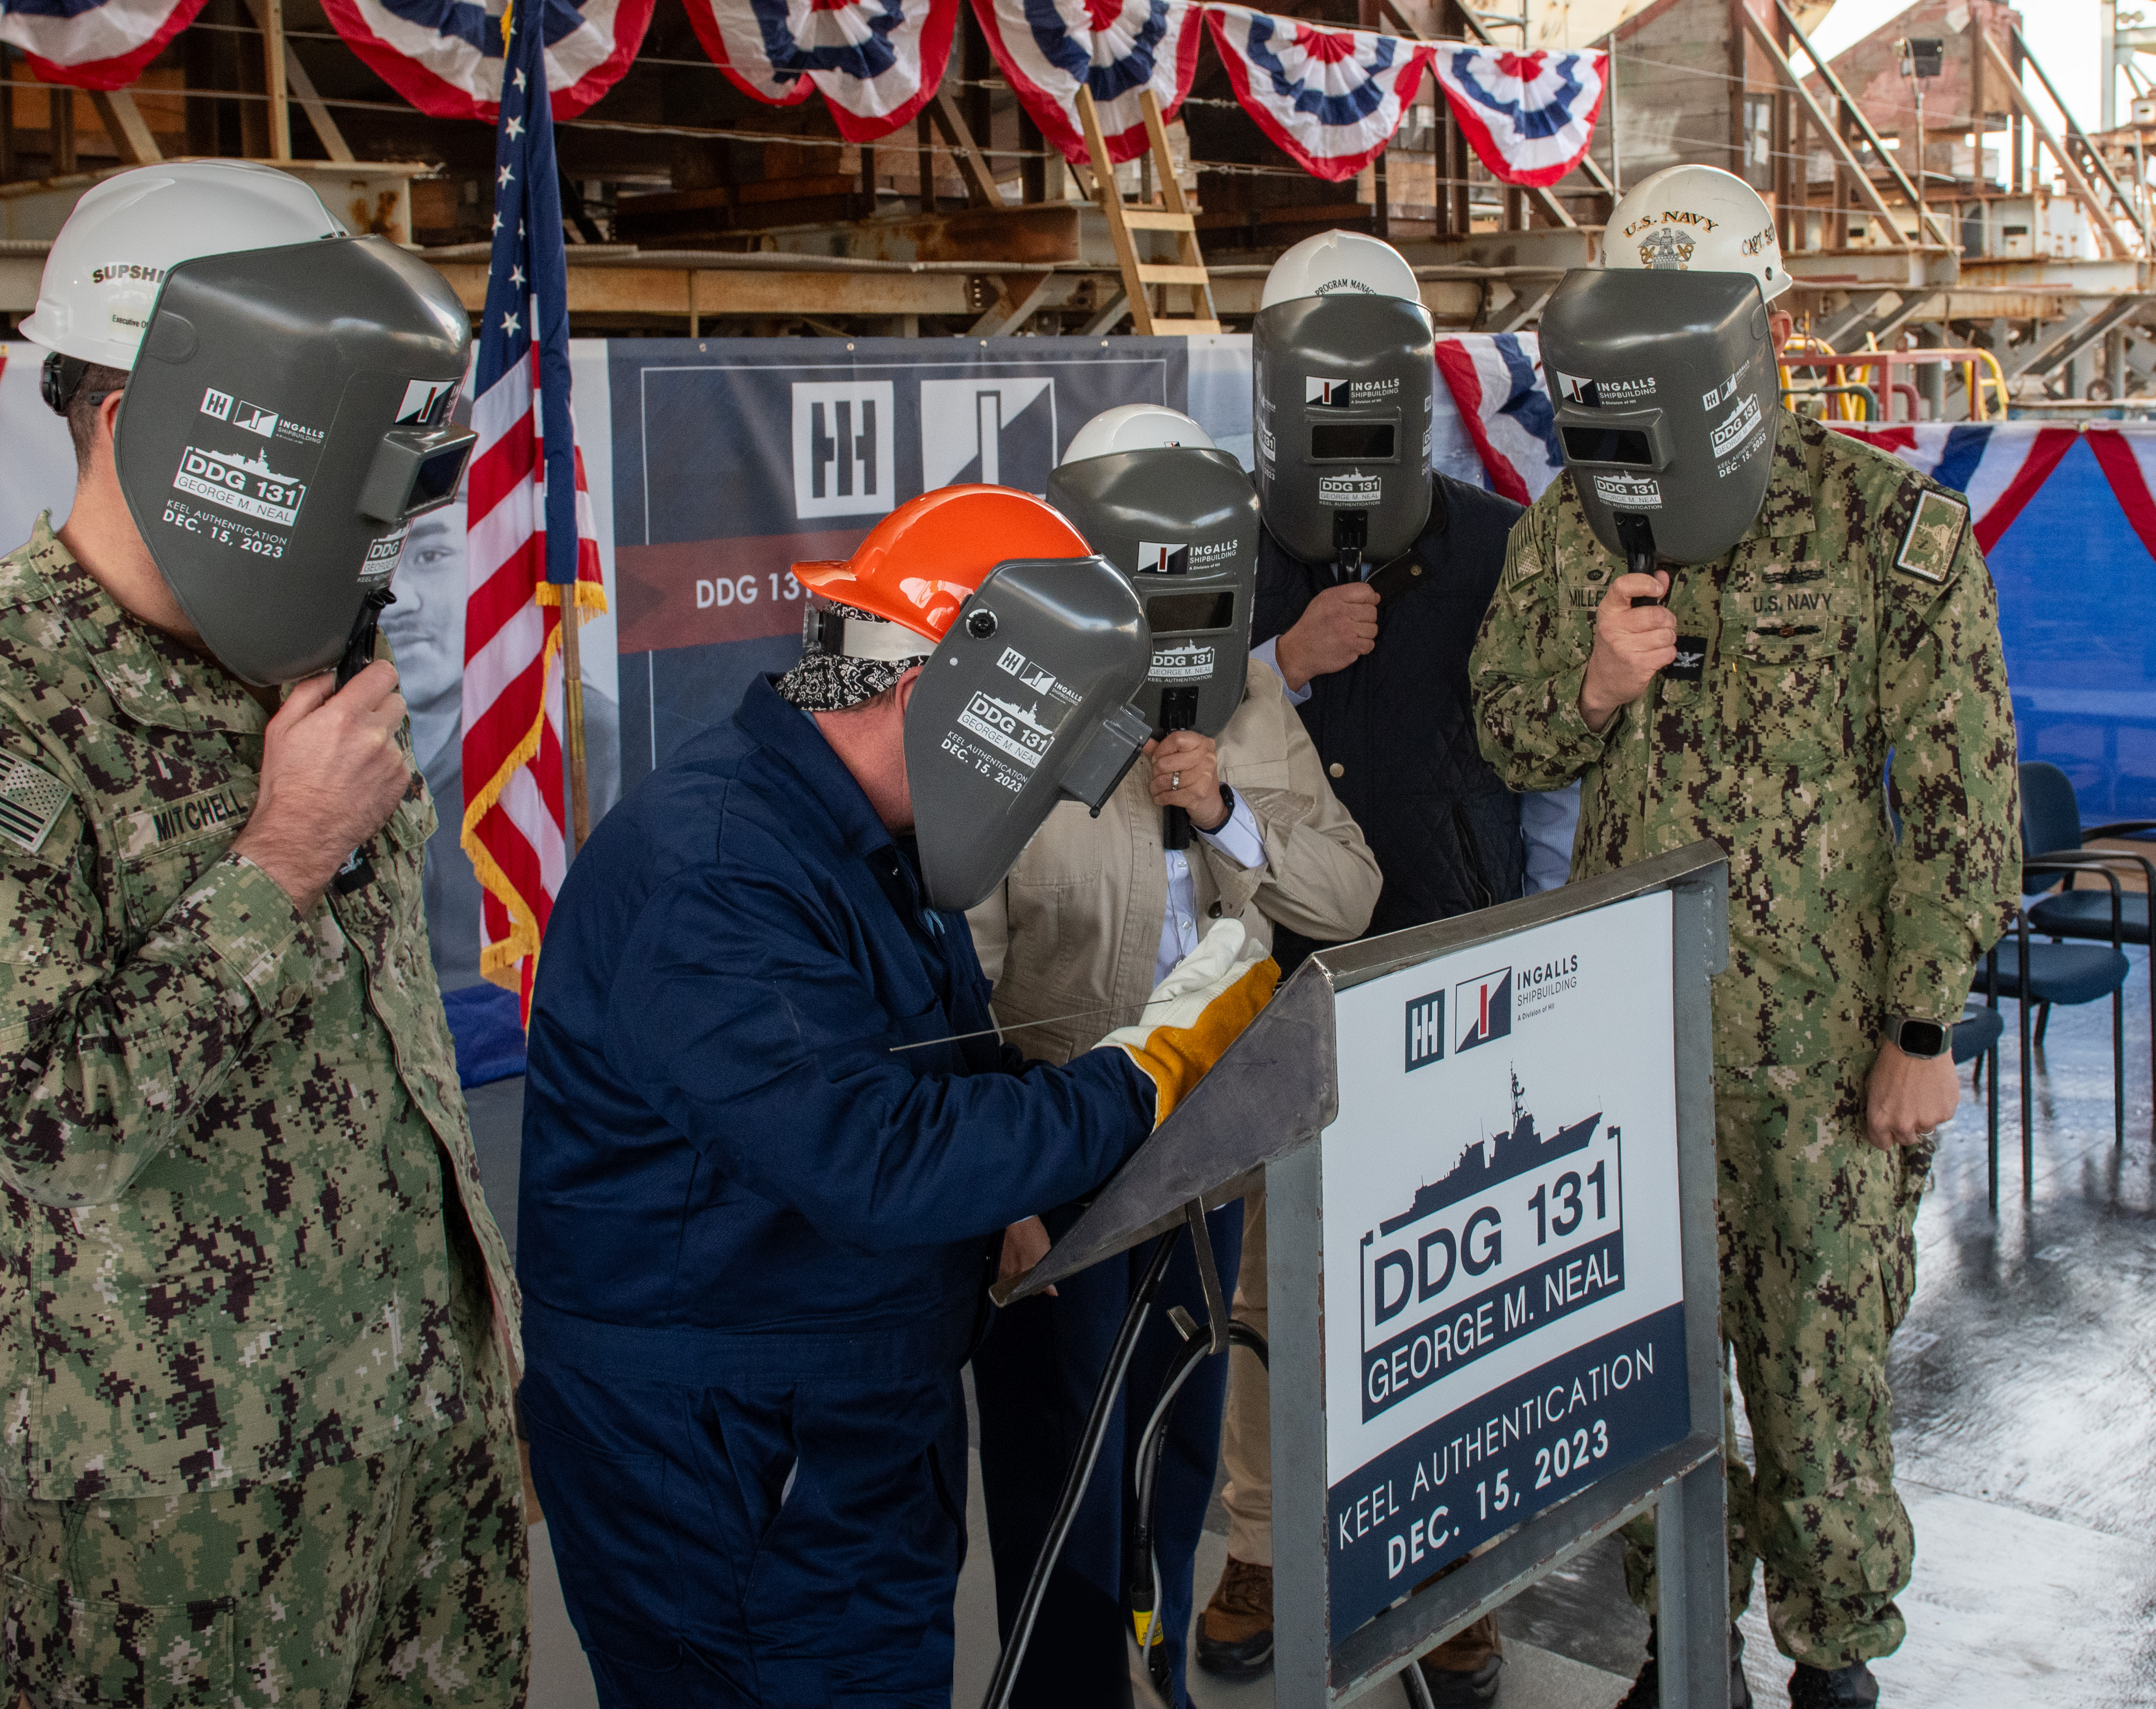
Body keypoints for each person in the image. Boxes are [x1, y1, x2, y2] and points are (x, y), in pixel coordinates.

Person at [513, 485, 1278, 1707]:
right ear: (939, 702)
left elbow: (918, 1058)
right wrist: (1142, 1076)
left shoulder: (847, 835)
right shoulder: (715, 875)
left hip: (828, 1419)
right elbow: (875, 1158)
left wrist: (1009, 1202)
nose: (1038, 808)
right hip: (726, 1462)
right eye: (1036, 767)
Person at [1470, 164, 2020, 1709]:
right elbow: (1509, 741)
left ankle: (1833, 1652)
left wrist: (1923, 1024)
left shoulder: (1884, 526)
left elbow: (1965, 799)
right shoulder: (1572, 525)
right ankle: (1679, 1640)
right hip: (1630, 1044)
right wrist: (1589, 687)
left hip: (1824, 1059)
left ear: (1764, 324)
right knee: (1654, 1370)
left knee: (1820, 1381)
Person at [0, 161, 528, 1701]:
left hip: (418, 1450)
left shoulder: (302, 651)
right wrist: (276, 859)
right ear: (151, 421)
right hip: (175, 1525)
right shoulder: (28, 706)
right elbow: (35, 1128)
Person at [969, 409, 1381, 1709]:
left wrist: (1223, 811)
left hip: (1205, 1148)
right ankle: (1065, 1686)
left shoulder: (1249, 705)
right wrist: (1003, 1194)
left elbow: (1348, 892)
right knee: (1060, 1469)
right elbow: (958, 966)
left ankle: (1153, 1665)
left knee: (1177, 1439)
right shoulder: (1006, 710)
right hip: (1060, 1150)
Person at [1199, 230, 1539, 1706]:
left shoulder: (1490, 542)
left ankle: (1451, 1566)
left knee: (1449, 1271)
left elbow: (1542, 752)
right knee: (1269, 1278)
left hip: (1441, 960)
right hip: (1264, 963)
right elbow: (1164, 720)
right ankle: (1266, 1543)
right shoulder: (1219, 542)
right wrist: (1282, 654)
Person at [382, 490, 620, 991]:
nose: (399, 598)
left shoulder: (581, 741)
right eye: (378, 558)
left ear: (497, 561)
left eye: (430, 556)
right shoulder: (317, 742)